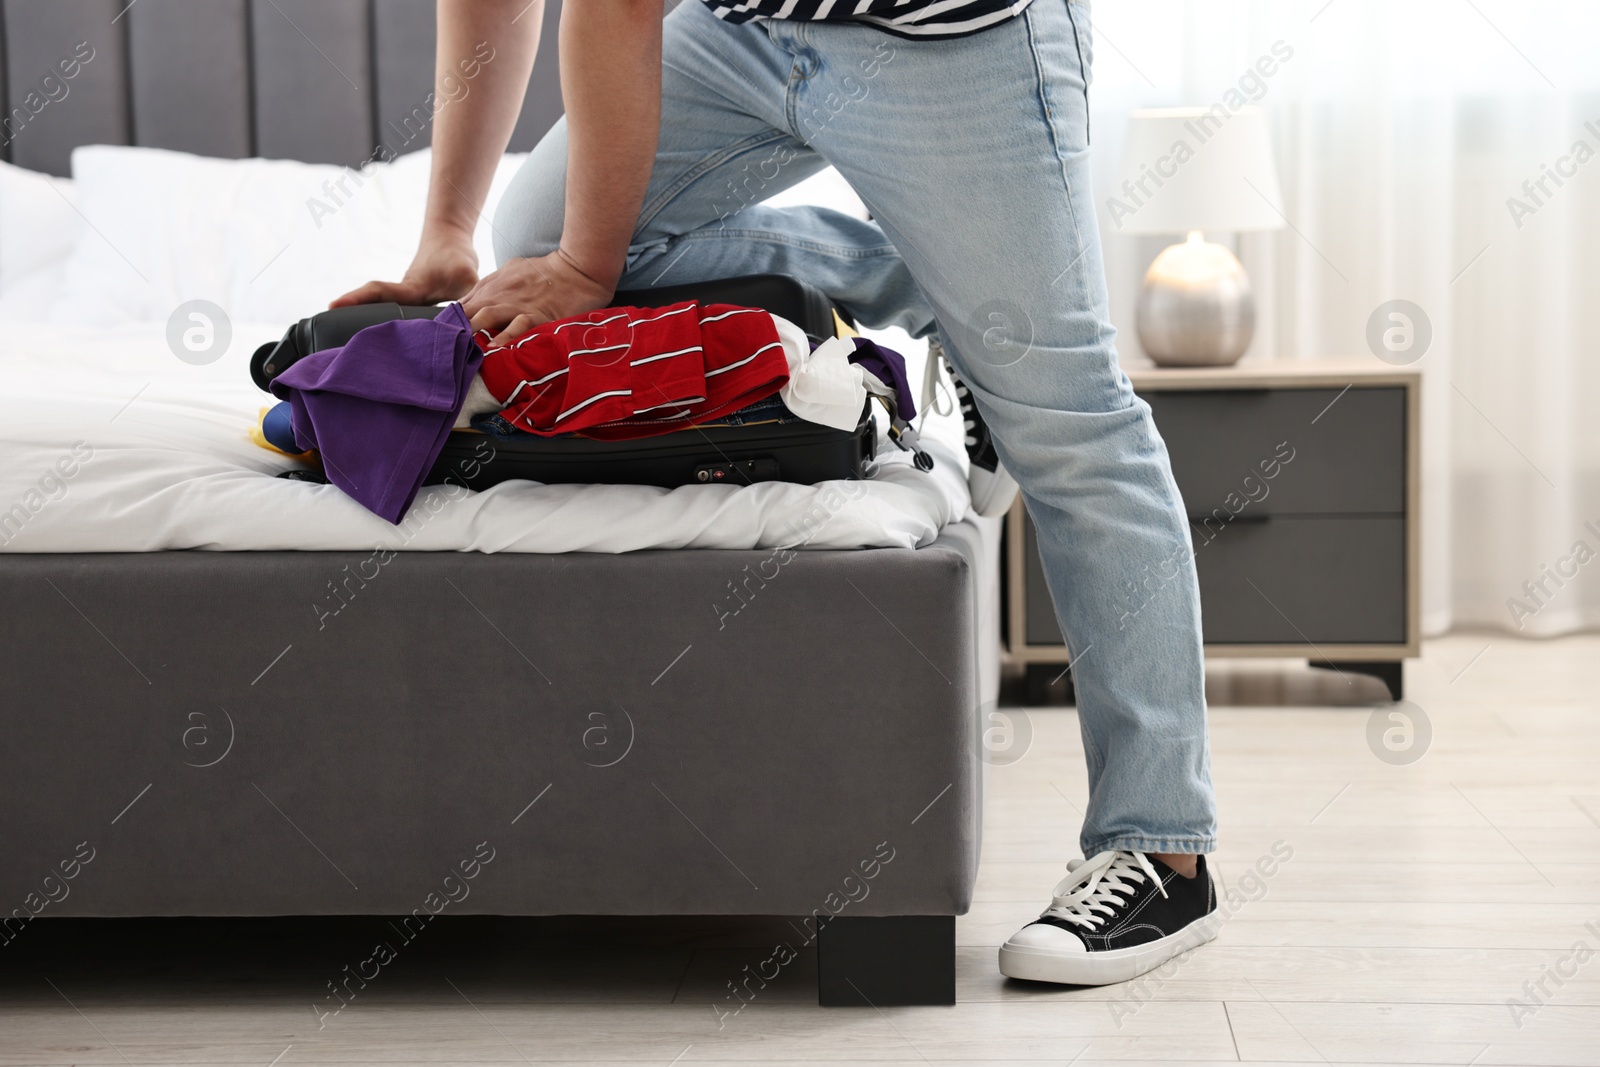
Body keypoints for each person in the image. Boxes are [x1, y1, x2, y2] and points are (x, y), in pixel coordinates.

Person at [336, 0, 1219, 985]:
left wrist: (588, 267)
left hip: (952, 38)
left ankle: (1161, 848)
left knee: (1067, 421)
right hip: (748, 25)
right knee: (541, 230)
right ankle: (941, 294)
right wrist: (450, 233)